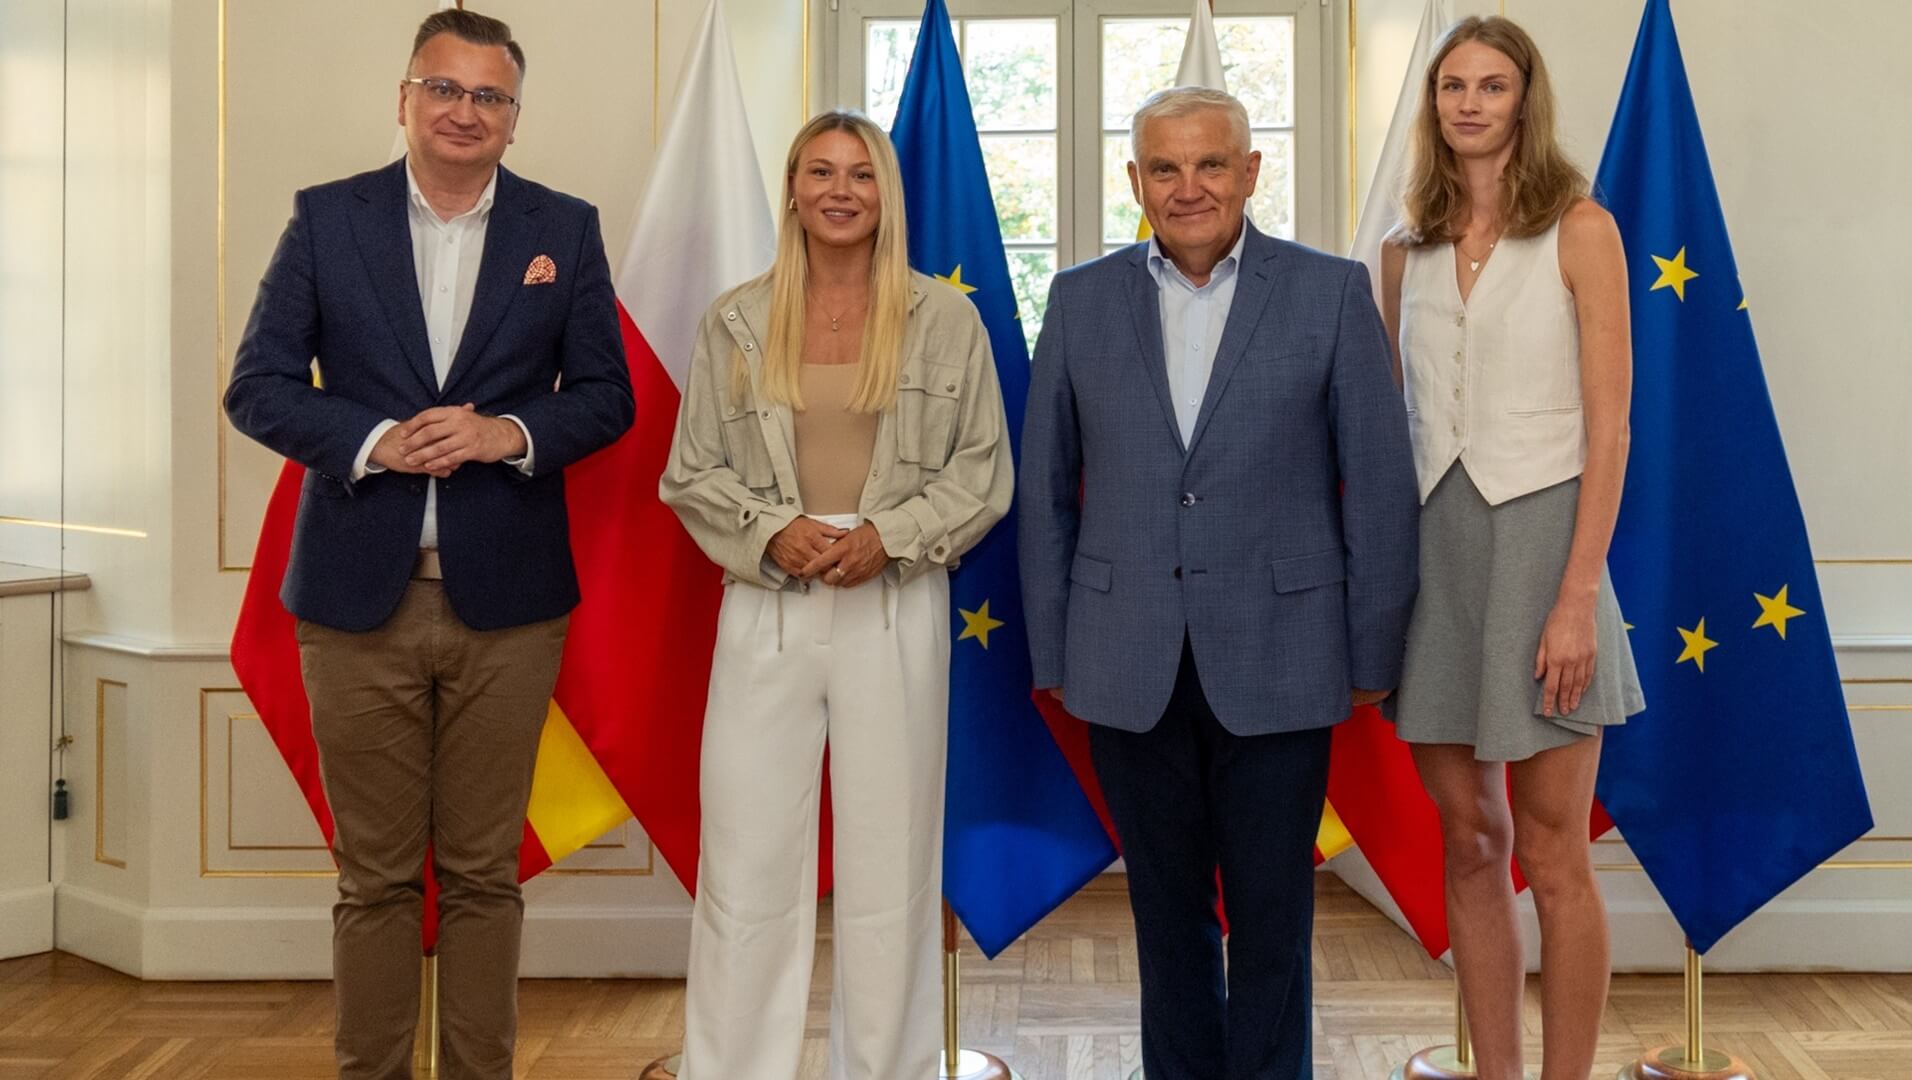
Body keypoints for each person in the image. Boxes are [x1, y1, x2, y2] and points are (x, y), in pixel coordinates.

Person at [223, 11, 633, 1078]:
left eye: (488, 97)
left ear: (513, 119)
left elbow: (608, 399)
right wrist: (370, 441)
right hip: (358, 599)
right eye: (443, 89)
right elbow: (256, 388)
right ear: (402, 99)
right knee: (375, 879)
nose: (464, 111)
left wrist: (510, 432)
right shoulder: (327, 221)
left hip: (510, 603)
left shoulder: (566, 228)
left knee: (486, 873)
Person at [1019, 87, 1419, 1080]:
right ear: (1135, 183)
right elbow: (1044, 496)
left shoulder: (1328, 292)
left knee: (1275, 916)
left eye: (1209, 165)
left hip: (1286, 655)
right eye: (1164, 167)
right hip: (1125, 654)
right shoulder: (1079, 299)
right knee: (1165, 915)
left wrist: (1373, 652)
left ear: (1250, 172)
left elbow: (1378, 485)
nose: (1187, 187)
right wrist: (1056, 648)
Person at [658, 109, 1012, 1080]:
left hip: (896, 602)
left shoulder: (945, 321)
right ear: (794, 190)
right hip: (766, 599)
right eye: (821, 172)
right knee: (746, 865)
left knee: (890, 870)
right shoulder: (736, 318)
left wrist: (887, 538)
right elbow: (691, 473)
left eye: (860, 173)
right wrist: (775, 530)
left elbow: (983, 474)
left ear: (884, 192)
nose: (841, 190)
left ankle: (890, 1068)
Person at [1379, 16, 1643, 1080]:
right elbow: (1400, 420)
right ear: (1434, 105)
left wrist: (1577, 596)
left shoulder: (1581, 231)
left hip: (1546, 547)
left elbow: (1611, 425)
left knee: (1552, 849)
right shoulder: (1406, 254)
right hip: (1437, 554)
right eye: (1453, 85)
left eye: (1492, 85)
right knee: (1472, 843)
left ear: (1524, 102)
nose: (1470, 102)